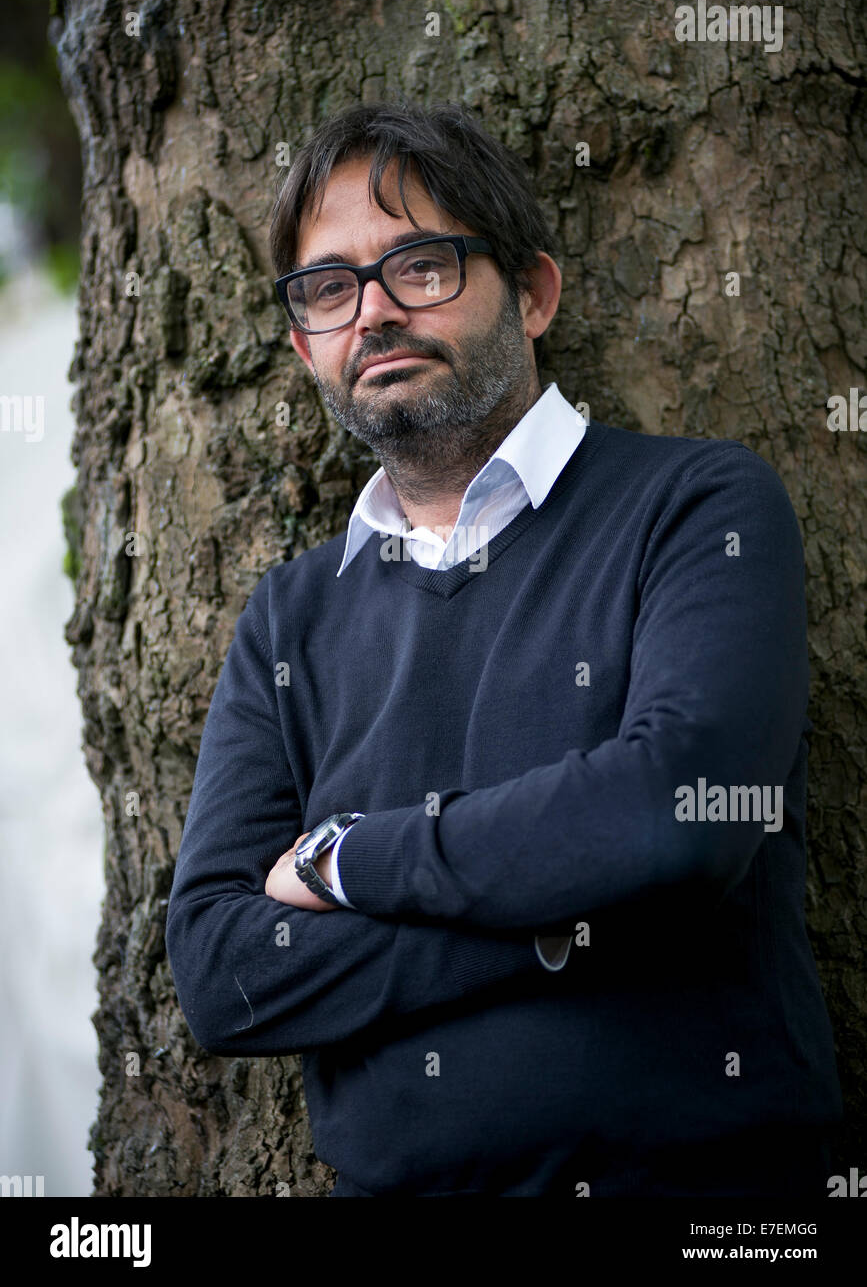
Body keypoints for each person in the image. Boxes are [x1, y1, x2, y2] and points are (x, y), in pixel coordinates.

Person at [165, 100, 843, 1197]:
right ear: (304, 344)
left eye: (420, 266)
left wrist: (349, 857)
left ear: (533, 293)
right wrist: (567, 926)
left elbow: (684, 814)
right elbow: (223, 974)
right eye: (331, 288)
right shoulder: (288, 620)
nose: (373, 313)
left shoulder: (696, 506)